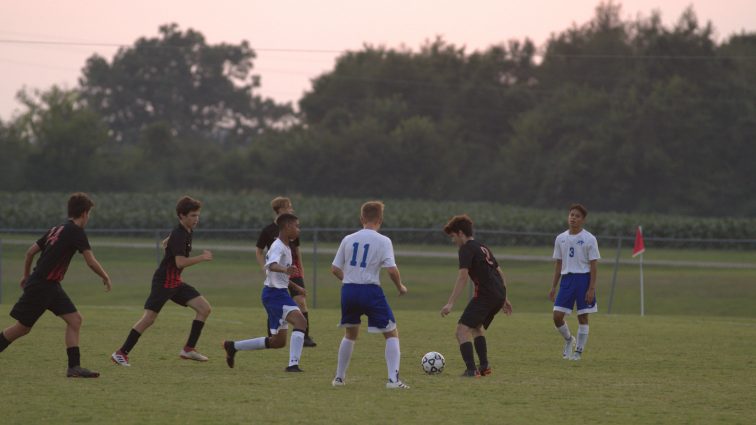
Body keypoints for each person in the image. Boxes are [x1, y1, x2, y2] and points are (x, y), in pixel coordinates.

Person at [0, 192, 112, 378]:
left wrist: (26, 276)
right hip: (42, 286)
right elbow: (91, 261)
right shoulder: (76, 232)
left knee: (75, 320)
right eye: (89, 214)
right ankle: (74, 367)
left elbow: (30, 252)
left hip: (49, 285)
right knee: (22, 328)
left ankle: (74, 367)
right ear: (84, 213)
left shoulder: (56, 229)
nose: (88, 218)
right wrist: (105, 276)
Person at [111, 196, 213, 366]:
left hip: (175, 282)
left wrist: (168, 242)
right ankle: (121, 353)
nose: (197, 219)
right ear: (181, 215)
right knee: (149, 319)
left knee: (204, 309)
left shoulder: (186, 231)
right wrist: (202, 257)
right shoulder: (180, 234)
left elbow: (166, 242)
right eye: (193, 216)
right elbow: (180, 262)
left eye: (197, 215)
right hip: (164, 282)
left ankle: (188, 349)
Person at [330, 201, 409, 389]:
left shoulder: (348, 239)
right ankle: (393, 380)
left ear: (361, 218)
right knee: (391, 333)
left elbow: (334, 268)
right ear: (380, 220)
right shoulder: (383, 241)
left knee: (350, 333)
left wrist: (348, 279)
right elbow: (391, 270)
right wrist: (400, 286)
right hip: (370, 290)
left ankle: (339, 378)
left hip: (348, 290)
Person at [223, 213, 308, 372]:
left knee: (278, 342)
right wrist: (286, 269)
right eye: (297, 226)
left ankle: (232, 346)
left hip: (277, 293)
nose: (299, 230)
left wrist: (295, 287)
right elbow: (271, 265)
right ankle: (293, 365)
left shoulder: (286, 246)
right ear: (287, 227)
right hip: (274, 295)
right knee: (301, 322)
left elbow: (277, 274)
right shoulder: (278, 246)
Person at [440, 214, 513, 377]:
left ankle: (471, 370)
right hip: (498, 293)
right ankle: (484, 366)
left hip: (486, 295)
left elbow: (463, 276)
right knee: (476, 328)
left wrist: (450, 303)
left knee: (461, 331)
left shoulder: (466, 248)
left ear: (460, 233)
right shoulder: (482, 246)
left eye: (453, 236)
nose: (453, 241)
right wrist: (504, 298)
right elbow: (500, 272)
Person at [255, 197, 316, 347]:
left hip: (292, 271)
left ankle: (304, 336)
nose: (292, 209)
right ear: (280, 210)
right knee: (276, 304)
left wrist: (300, 269)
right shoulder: (270, 231)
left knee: (301, 301)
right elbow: (259, 251)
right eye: (289, 207)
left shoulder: (293, 229)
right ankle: (273, 336)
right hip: (278, 271)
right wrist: (265, 267)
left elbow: (296, 251)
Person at [549, 203, 600, 361]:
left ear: (583, 220)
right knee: (557, 316)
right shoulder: (561, 238)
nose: (573, 218)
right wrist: (553, 286)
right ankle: (569, 340)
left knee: (583, 317)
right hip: (567, 279)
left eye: (577, 216)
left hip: (583, 279)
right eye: (571, 215)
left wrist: (591, 288)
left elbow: (593, 266)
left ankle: (578, 352)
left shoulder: (589, 239)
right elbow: (558, 263)